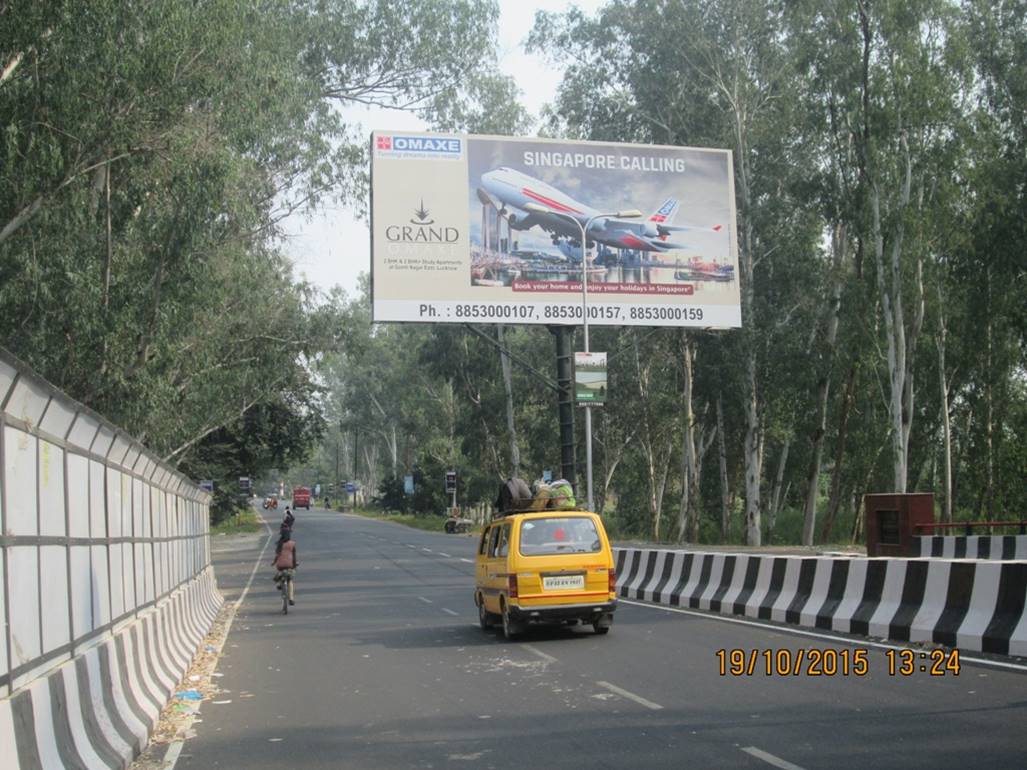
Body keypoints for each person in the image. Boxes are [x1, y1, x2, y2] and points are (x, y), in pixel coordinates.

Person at [272, 530, 298, 607]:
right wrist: (294, 565)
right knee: (290, 580)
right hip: (289, 564)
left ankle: (280, 584)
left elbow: (277, 555)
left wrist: (274, 562)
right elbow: (294, 557)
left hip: (280, 565)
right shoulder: (292, 544)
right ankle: (291, 599)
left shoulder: (279, 544)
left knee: (279, 572)